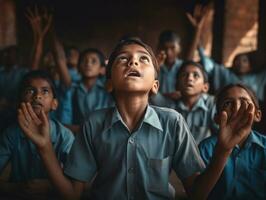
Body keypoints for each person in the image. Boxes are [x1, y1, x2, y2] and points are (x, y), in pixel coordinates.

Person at [19, 38, 255, 200]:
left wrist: (223, 151)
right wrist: (45, 148)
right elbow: (73, 194)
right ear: (109, 81)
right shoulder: (94, 123)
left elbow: (196, 193)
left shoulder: (172, 121)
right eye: (123, 59)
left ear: (155, 85)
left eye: (143, 59)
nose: (133, 62)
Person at [0, 70, 74, 198]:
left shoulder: (65, 136)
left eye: (45, 91)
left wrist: (51, 187)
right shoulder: (11, 134)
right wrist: (16, 188)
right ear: (20, 101)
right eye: (30, 91)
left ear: (54, 104)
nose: (37, 96)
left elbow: (75, 185)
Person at [199, 83, 266, 200]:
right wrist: (222, 151)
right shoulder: (206, 148)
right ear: (217, 118)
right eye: (228, 103)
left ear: (257, 115)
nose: (237, 107)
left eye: (244, 102)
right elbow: (196, 194)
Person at [174, 61, 218, 144]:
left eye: (196, 75)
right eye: (184, 75)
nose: (189, 78)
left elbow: (220, 136)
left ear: (205, 87)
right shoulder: (170, 105)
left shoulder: (212, 104)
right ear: (177, 84)